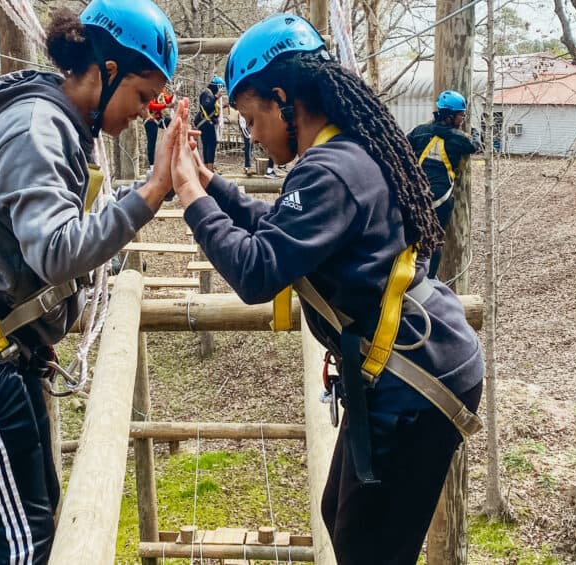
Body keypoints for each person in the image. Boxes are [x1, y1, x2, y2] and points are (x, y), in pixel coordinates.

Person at [166, 15, 483, 565]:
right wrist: (213, 183)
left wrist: (191, 196)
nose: (253, 134)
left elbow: (256, 270)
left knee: (368, 546)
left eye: (251, 117)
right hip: (414, 364)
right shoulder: (346, 155)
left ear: (284, 99)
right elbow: (283, 229)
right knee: (345, 517)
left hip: (415, 382)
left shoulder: (330, 170)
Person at [0, 1, 180, 562]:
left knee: (40, 519)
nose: (142, 112)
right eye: (141, 95)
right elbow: (55, 251)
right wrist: (151, 192)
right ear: (105, 70)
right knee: (25, 542)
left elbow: (52, 237)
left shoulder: (64, 126)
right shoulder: (35, 127)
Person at [407, 90, 483, 277]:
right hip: (440, 199)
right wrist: (475, 132)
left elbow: (405, 144)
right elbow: (475, 145)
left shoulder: (419, 132)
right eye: (461, 115)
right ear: (449, 117)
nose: (463, 119)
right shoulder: (458, 138)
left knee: (412, 238)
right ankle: (430, 280)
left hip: (415, 197)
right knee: (434, 241)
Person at [193, 75, 225, 171]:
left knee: (208, 145)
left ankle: (207, 168)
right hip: (205, 123)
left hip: (207, 123)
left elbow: (210, 110)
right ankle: (209, 169)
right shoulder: (207, 93)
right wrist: (216, 97)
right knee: (210, 144)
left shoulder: (209, 94)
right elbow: (207, 106)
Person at [145, 87, 174, 172]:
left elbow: (167, 100)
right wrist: (165, 105)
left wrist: (173, 96)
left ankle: (170, 156)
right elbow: (150, 105)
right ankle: (152, 166)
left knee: (172, 123)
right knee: (152, 142)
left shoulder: (161, 88)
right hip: (149, 118)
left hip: (159, 118)